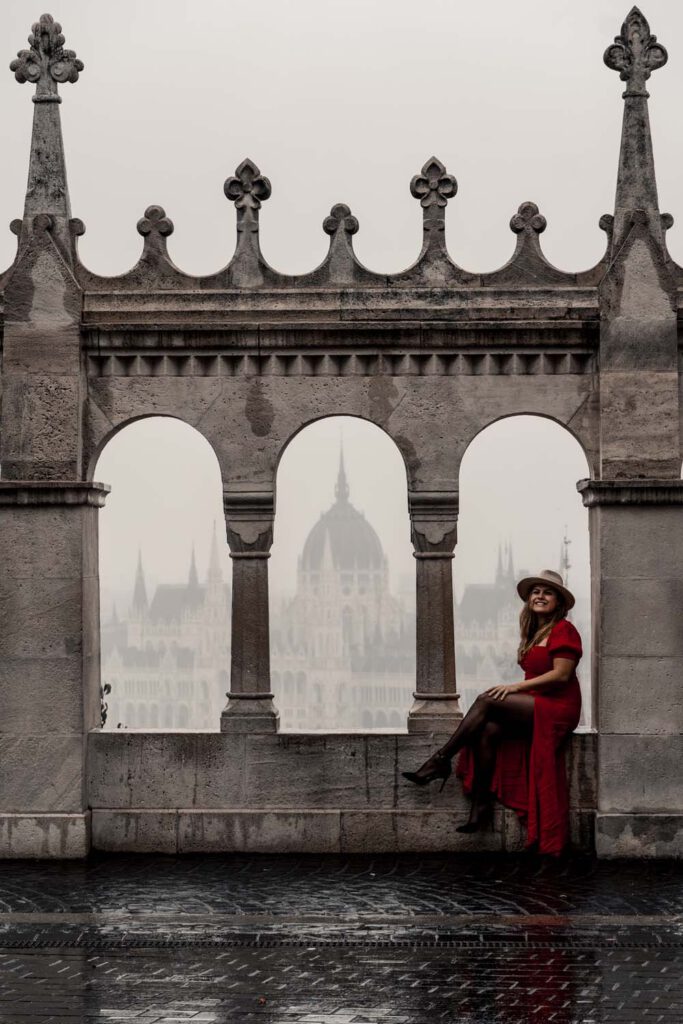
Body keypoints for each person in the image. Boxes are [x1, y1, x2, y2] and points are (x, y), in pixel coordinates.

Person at [402, 569, 582, 856]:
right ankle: (480, 804)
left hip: (559, 709)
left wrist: (515, 688)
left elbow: (561, 676)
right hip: (538, 705)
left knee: (487, 699)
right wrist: (518, 691)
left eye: (547, 592)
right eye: (535, 591)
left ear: (558, 602)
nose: (539, 596)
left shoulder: (564, 630)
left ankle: (440, 760)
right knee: (487, 729)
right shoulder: (535, 633)